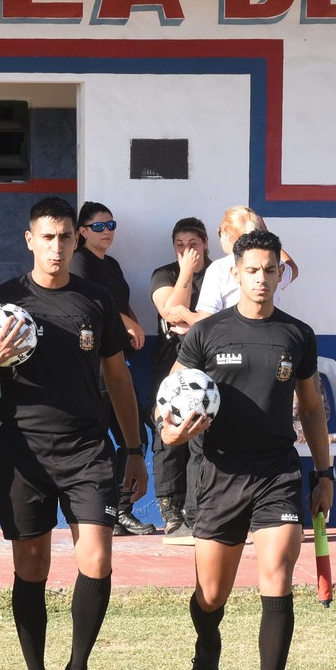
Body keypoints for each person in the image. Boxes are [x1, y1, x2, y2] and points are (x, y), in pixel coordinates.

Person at [0, 196, 148, 670]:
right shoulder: (1, 301)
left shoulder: (95, 300)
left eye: (64, 237)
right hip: (23, 450)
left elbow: (118, 378)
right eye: (46, 237)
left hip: (88, 448)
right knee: (32, 566)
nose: (55, 246)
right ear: (29, 240)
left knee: (97, 558)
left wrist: (134, 450)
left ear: (75, 240)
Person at [160, 229, 334, 670]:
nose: (261, 279)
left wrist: (323, 474)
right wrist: (170, 430)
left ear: (281, 272)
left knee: (277, 575)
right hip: (217, 475)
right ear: (234, 273)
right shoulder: (207, 333)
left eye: (270, 270)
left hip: (276, 472)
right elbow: (169, 397)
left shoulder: (297, 335)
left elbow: (312, 408)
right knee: (211, 594)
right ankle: (207, 639)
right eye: (252, 270)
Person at [70, 201, 154, 536]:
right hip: (94, 364)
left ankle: (121, 509)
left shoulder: (113, 265)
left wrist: (131, 321)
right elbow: (91, 303)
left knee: (135, 437)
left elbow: (117, 300)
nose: (108, 232)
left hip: (119, 360)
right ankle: (110, 512)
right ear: (82, 231)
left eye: (111, 225)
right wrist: (125, 323)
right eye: (99, 226)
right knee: (102, 440)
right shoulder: (79, 261)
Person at [148, 217, 210, 543]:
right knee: (168, 436)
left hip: (209, 372)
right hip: (169, 368)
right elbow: (170, 312)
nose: (187, 251)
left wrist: (194, 323)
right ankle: (171, 515)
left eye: (193, 246)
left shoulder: (220, 273)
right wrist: (186, 270)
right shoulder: (164, 275)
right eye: (180, 246)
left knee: (203, 439)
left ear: (206, 245)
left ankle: (197, 513)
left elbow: (226, 319)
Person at [192, 206, 298, 317]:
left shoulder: (219, 268)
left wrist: (181, 312)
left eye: (220, 232)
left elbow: (205, 319)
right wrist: (266, 237)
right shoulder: (272, 264)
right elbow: (293, 270)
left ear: (228, 235)